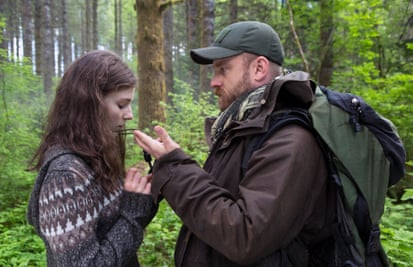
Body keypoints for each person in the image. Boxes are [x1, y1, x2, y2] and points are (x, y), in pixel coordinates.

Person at [134, 21, 334, 266]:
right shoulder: (244, 130)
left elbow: (245, 236)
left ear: (259, 68)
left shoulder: (290, 140)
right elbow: (221, 204)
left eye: (223, 69)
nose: (213, 82)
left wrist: (176, 170)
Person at [27, 50, 157, 267]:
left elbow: (117, 228)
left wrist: (147, 196)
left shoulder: (96, 155)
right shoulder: (66, 175)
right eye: (121, 105)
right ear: (90, 104)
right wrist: (133, 212)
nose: (130, 114)